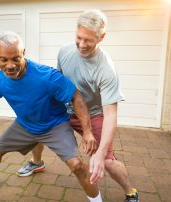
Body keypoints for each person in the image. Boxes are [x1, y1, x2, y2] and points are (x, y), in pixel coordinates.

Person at [0, 31, 103, 201]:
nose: (10, 65)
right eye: (3, 60)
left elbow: (76, 97)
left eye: (16, 58)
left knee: (78, 166)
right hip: (25, 125)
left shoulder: (46, 76)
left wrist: (87, 132)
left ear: (23, 53)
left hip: (54, 125)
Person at [17, 9, 139, 202]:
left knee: (107, 161)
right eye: (79, 37)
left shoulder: (106, 68)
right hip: (66, 109)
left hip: (94, 114)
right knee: (39, 125)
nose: (82, 45)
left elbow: (111, 115)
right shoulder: (65, 51)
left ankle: (130, 191)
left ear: (101, 37)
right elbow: (57, 83)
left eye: (88, 40)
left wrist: (98, 154)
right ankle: (36, 162)